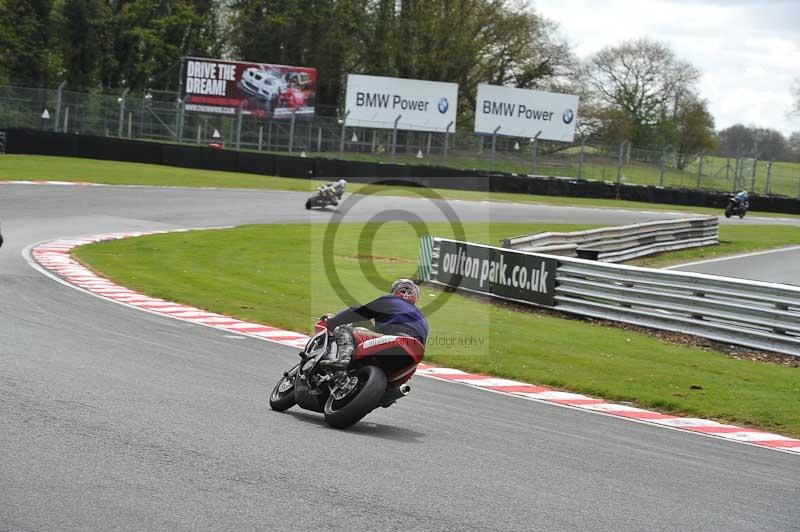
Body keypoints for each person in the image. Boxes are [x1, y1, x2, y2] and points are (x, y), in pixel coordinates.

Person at [325, 279, 429, 362]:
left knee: (344, 330)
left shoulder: (390, 300)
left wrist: (331, 322)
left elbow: (356, 313)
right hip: (414, 352)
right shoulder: (423, 318)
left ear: (394, 292)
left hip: (392, 339)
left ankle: (343, 361)